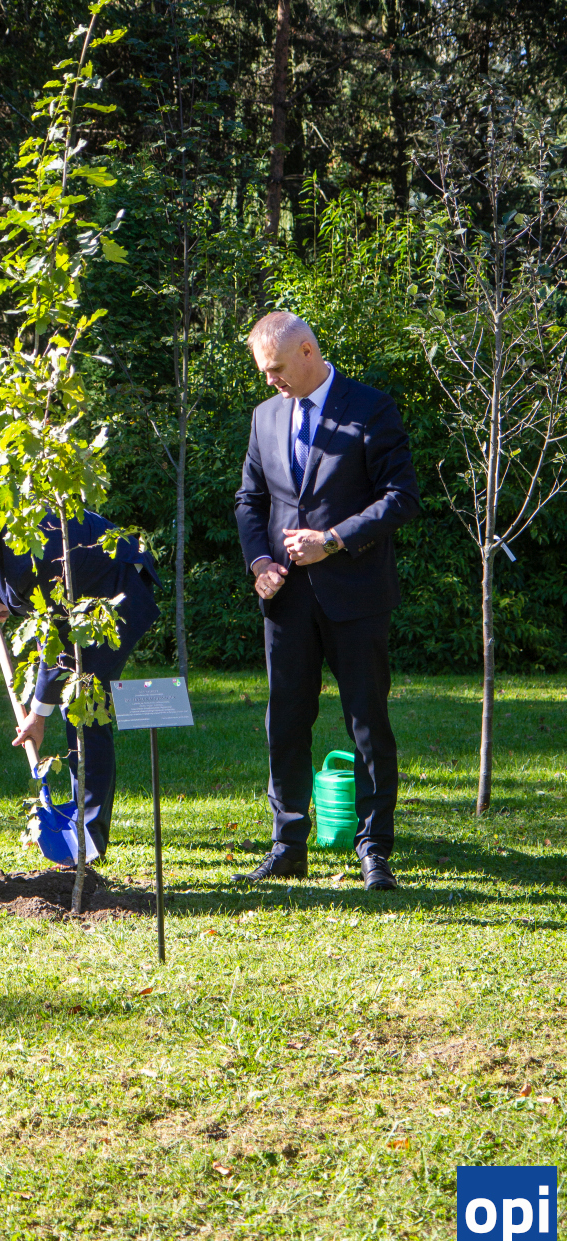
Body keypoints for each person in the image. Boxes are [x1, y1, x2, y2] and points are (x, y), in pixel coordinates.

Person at [234, 312, 420, 891]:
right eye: (265, 372)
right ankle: (288, 844)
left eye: (276, 369)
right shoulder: (265, 416)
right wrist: (259, 563)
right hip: (286, 600)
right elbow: (249, 500)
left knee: (367, 722)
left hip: (357, 596)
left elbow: (401, 498)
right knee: (286, 721)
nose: (271, 381)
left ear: (308, 352)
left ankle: (374, 850)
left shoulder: (371, 407)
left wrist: (332, 540)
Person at [0, 492, 160, 860]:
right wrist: (7, 599)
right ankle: (83, 816)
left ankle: (89, 832)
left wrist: (37, 717)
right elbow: (24, 583)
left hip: (119, 588)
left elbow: (56, 643)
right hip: (76, 588)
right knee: (78, 700)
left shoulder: (32, 557)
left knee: (82, 702)